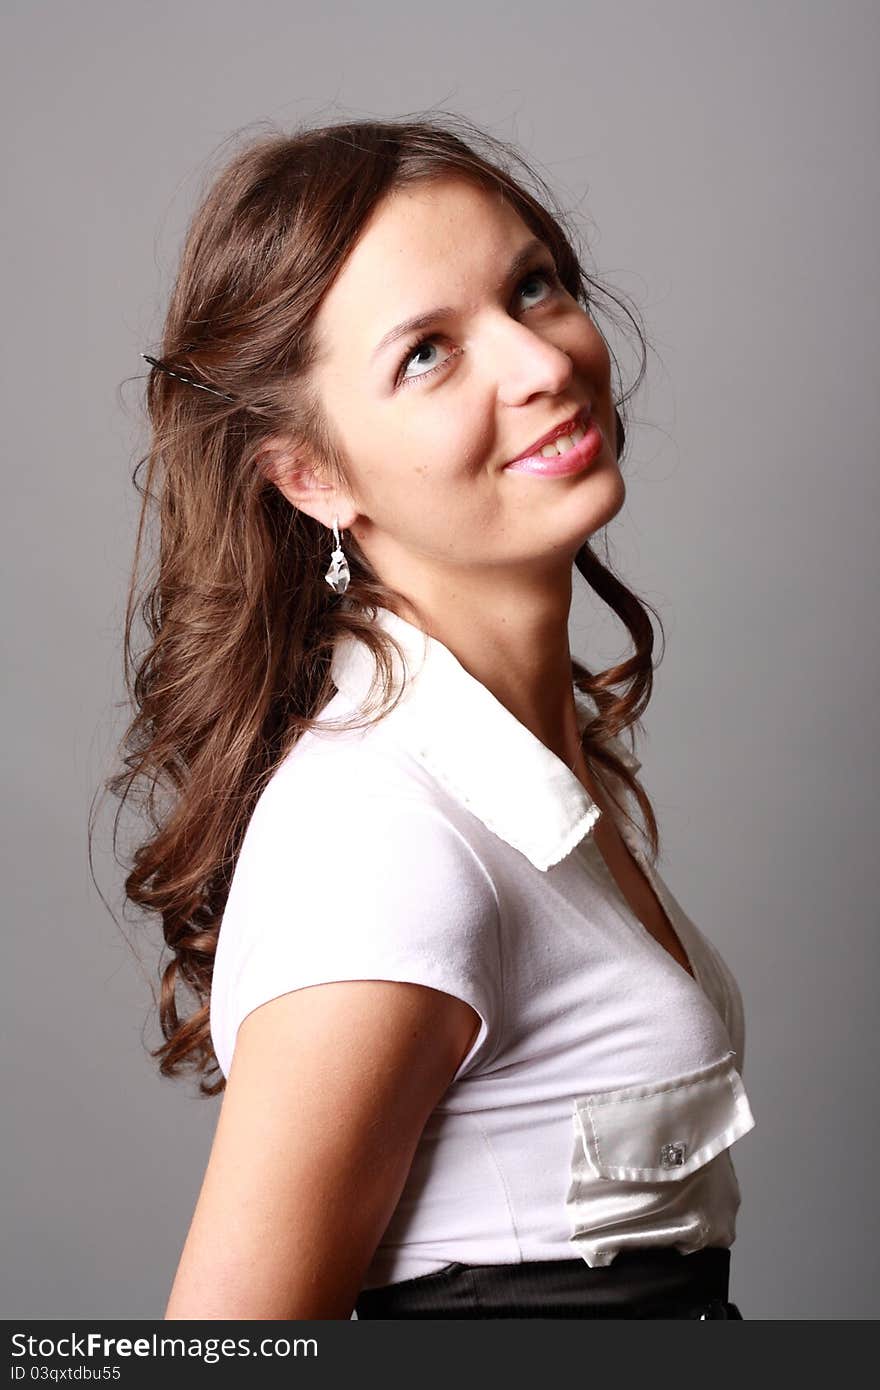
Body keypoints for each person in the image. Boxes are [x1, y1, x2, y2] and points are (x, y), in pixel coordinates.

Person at [106, 114, 756, 1319]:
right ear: (312, 476)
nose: (540, 361)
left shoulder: (508, 768)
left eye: (534, 287)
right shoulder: (385, 840)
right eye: (426, 354)